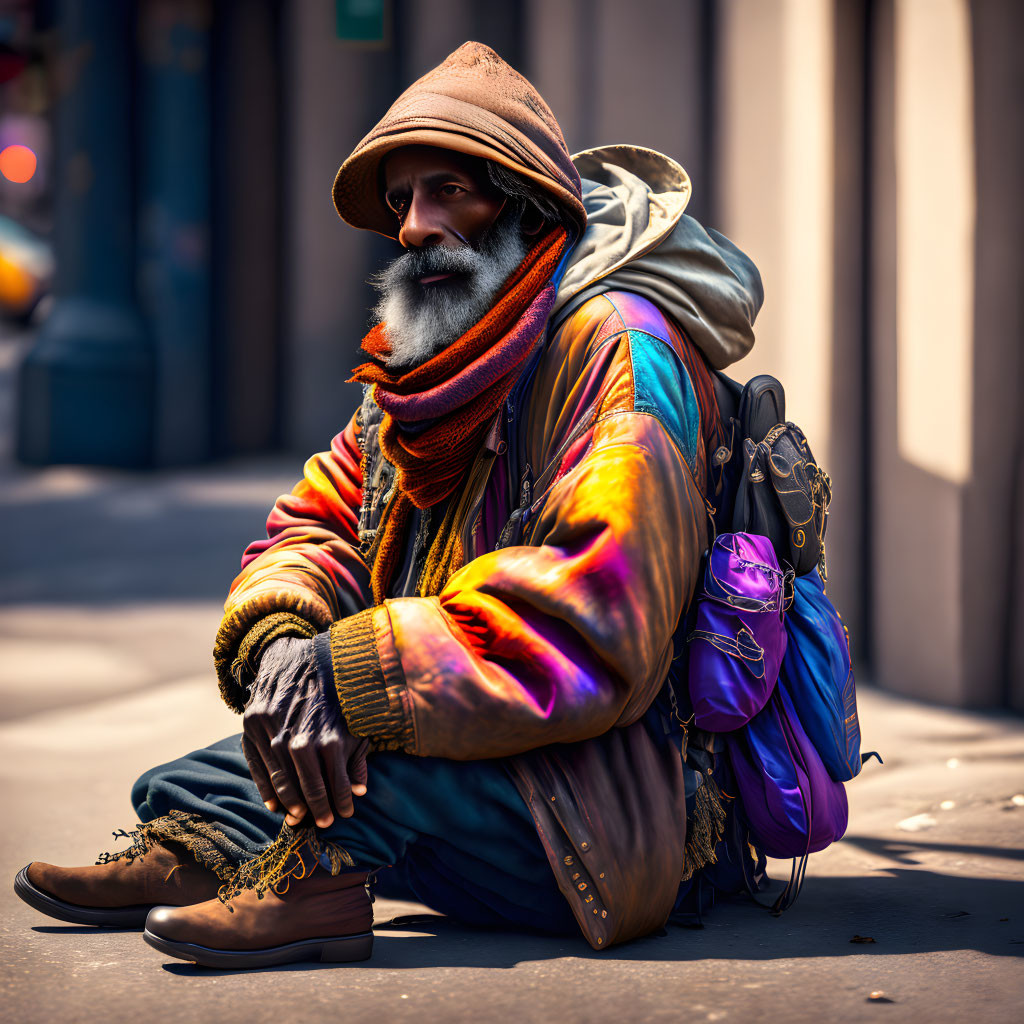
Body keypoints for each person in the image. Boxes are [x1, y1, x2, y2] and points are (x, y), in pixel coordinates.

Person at [14, 42, 766, 968]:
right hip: (473, 743)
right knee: (187, 785)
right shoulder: (426, 360)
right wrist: (291, 646)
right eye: (405, 203)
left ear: (530, 208)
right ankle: (221, 852)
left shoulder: (619, 351)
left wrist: (350, 673)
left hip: (614, 812)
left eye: (449, 191)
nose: (415, 227)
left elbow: (593, 622)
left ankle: (310, 884)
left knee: (364, 778)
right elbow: (319, 520)